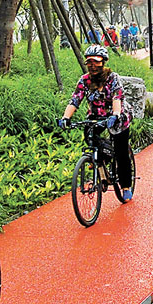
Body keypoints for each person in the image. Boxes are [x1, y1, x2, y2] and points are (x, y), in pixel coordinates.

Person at [57, 45, 134, 201]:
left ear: (103, 62)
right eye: (89, 62)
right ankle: (101, 158)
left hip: (118, 116)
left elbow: (117, 97)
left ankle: (125, 186)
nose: (92, 66)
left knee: (121, 152)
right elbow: (75, 100)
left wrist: (116, 114)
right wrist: (65, 118)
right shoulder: (84, 80)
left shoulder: (112, 78)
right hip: (96, 117)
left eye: (96, 62)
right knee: (90, 135)